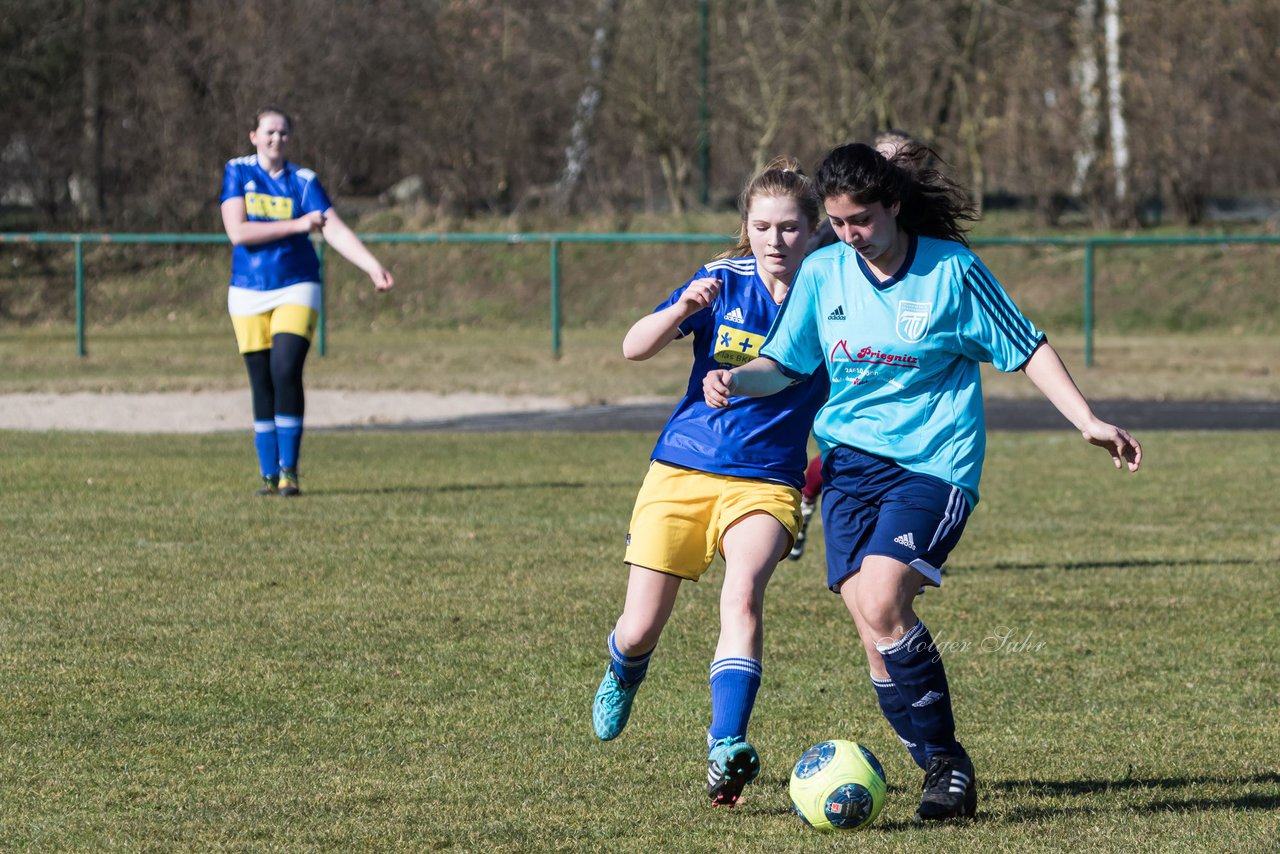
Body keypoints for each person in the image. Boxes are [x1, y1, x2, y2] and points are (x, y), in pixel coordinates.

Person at [703, 142, 1142, 823]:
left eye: (863, 221)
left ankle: (947, 763)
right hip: (850, 467)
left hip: (935, 465)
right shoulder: (825, 272)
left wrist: (1085, 418)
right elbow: (784, 365)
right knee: (872, 630)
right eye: (840, 224)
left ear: (894, 206)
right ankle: (928, 758)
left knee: (882, 601)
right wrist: (737, 379)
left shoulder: (953, 274)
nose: (851, 236)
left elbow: (1026, 345)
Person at [591, 158, 828, 807]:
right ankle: (624, 669)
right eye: (762, 227)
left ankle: (725, 748)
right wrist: (679, 312)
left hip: (767, 482)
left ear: (813, 229)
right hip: (683, 467)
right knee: (639, 628)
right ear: (746, 229)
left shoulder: (833, 294)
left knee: (743, 595)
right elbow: (632, 347)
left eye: (788, 227)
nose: (775, 240)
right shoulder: (721, 280)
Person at [220, 106, 394, 496]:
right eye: (268, 132)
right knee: (261, 379)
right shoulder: (238, 172)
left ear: (290, 139)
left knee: (285, 369)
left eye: (283, 133)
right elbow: (238, 232)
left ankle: (289, 472)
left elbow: (333, 228)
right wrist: (300, 225)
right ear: (253, 136)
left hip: (296, 284)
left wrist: (371, 265)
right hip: (247, 289)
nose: (275, 139)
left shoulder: (303, 181)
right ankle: (267, 474)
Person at [790, 129, 922, 560]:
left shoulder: (922, 237)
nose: (896, 167)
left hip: (904, 367)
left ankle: (901, 533)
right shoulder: (842, 235)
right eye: (887, 158)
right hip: (845, 350)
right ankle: (809, 499)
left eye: (904, 161)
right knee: (847, 442)